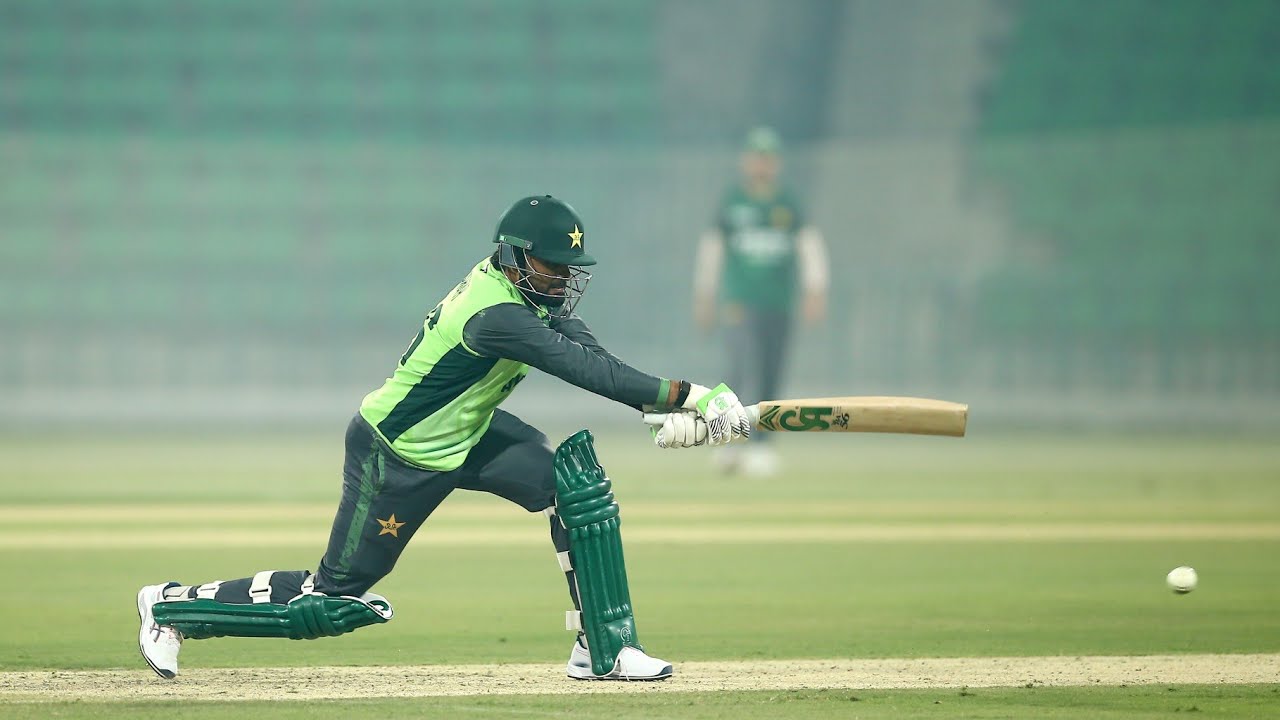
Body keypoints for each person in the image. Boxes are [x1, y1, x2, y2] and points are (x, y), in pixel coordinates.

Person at [136, 195, 751, 682]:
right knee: (329, 601)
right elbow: (586, 372)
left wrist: (660, 411)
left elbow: (589, 351)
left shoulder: (527, 294)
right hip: (398, 454)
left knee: (574, 486)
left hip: (467, 435)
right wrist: (689, 395)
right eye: (550, 265)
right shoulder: (498, 315)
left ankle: (605, 646)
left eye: (568, 268)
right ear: (513, 257)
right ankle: (171, 609)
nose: (562, 278)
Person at [693, 126, 829, 476]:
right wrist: (705, 294)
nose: (761, 165)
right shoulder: (733, 202)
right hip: (739, 300)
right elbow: (712, 249)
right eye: (756, 157)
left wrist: (815, 290)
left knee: (771, 373)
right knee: (735, 370)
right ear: (746, 161)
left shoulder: (787, 204)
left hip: (778, 302)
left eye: (767, 158)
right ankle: (724, 441)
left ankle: (762, 446)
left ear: (776, 163)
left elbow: (809, 246)